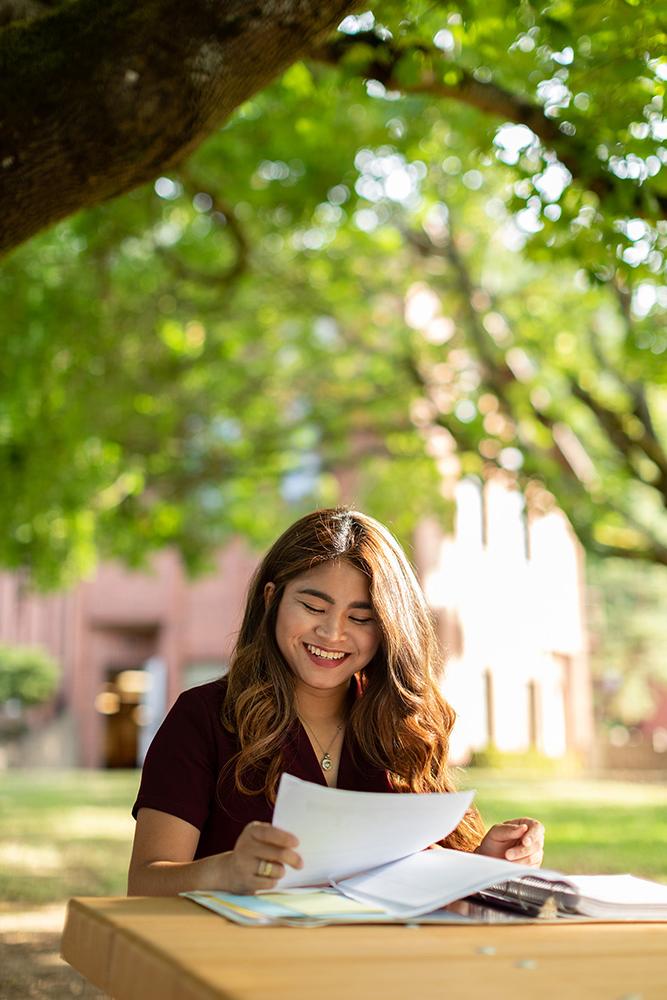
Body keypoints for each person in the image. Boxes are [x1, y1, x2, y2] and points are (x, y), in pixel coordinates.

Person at [128, 507, 544, 896]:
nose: (332, 633)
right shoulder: (203, 717)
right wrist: (225, 871)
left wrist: (481, 866)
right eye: (313, 606)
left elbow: (414, 879)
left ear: (386, 629)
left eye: (360, 618)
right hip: (241, 963)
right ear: (272, 599)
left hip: (369, 967)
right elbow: (144, 883)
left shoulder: (400, 726)